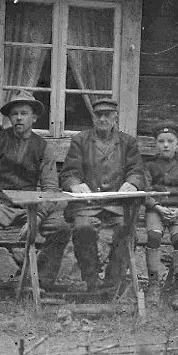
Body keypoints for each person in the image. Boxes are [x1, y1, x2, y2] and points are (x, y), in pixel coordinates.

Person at [0, 90, 70, 325]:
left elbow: (50, 189)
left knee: (62, 227)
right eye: (14, 114)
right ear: (9, 117)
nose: (19, 118)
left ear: (34, 118)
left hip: (30, 206)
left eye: (24, 113)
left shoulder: (42, 147)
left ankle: (35, 284)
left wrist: (37, 216)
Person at [60, 98, 145, 291]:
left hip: (117, 205)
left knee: (127, 232)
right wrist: (75, 184)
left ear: (116, 117)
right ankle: (91, 280)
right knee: (83, 230)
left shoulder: (127, 142)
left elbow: (137, 171)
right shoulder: (80, 141)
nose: (103, 118)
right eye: (99, 114)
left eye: (108, 115)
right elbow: (68, 173)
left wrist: (132, 183)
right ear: (93, 117)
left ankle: (112, 284)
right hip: (87, 204)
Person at [144, 120, 178, 311]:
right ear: (156, 144)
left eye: (170, 141)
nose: (165, 145)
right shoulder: (150, 165)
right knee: (153, 236)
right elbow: (146, 192)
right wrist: (158, 207)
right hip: (156, 210)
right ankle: (153, 286)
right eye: (161, 141)